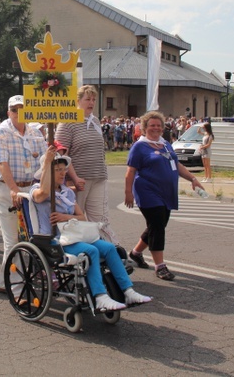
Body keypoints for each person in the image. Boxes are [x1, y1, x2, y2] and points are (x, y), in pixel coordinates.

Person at [30, 146, 152, 311]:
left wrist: (66, 217)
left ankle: (128, 291)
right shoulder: (36, 190)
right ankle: (100, 296)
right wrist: (46, 164)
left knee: (109, 248)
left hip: (74, 236)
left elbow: (82, 217)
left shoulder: (67, 192)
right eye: (57, 169)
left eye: (63, 169)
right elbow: (43, 193)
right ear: (46, 172)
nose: (62, 173)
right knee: (91, 251)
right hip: (53, 240)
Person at [124, 111, 206, 281]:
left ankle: (136, 253)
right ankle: (160, 266)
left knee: (158, 225)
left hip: (166, 192)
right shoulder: (139, 147)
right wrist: (128, 193)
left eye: (159, 125)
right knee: (157, 226)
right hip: (147, 191)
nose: (156, 128)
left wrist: (192, 178)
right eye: (152, 125)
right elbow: (130, 171)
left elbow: (176, 164)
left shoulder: (166, 144)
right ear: (145, 127)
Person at [0, 95, 47, 292]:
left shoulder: (35, 133)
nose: (18, 113)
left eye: (22, 109)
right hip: (7, 189)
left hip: (30, 189)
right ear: (9, 113)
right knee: (13, 239)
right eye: (15, 110)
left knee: (31, 237)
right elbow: (1, 163)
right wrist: (14, 189)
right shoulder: (1, 133)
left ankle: (5, 280)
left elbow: (44, 161)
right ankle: (15, 287)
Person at [55, 85, 118, 244]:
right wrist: (74, 178)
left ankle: (113, 250)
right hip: (79, 180)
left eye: (93, 99)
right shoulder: (67, 121)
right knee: (77, 220)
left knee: (100, 219)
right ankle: (79, 252)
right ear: (78, 101)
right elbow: (62, 154)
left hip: (98, 177)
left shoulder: (95, 121)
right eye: (87, 99)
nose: (91, 103)